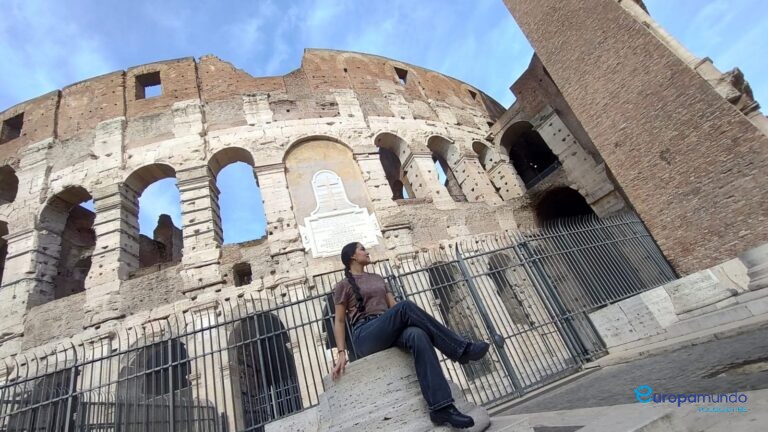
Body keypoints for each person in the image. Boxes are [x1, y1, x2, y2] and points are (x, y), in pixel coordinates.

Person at [331, 242, 490, 429]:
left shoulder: (378, 278)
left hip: (388, 326)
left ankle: (441, 409)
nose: (367, 251)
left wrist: (404, 321)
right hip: (365, 335)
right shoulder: (343, 285)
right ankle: (460, 349)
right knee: (406, 306)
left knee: (417, 334)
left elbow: (394, 307)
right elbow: (340, 321)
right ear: (352, 257)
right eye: (362, 249)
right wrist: (341, 353)